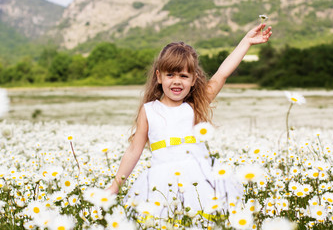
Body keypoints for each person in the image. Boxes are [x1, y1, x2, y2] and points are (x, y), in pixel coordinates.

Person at [107, 23, 272, 218]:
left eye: (184, 76)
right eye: (170, 75)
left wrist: (246, 42)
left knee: (203, 219)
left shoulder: (194, 107)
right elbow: (134, 150)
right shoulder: (149, 110)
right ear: (159, 77)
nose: (177, 81)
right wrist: (114, 187)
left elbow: (222, 74)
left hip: (200, 179)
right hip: (161, 183)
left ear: (194, 80)